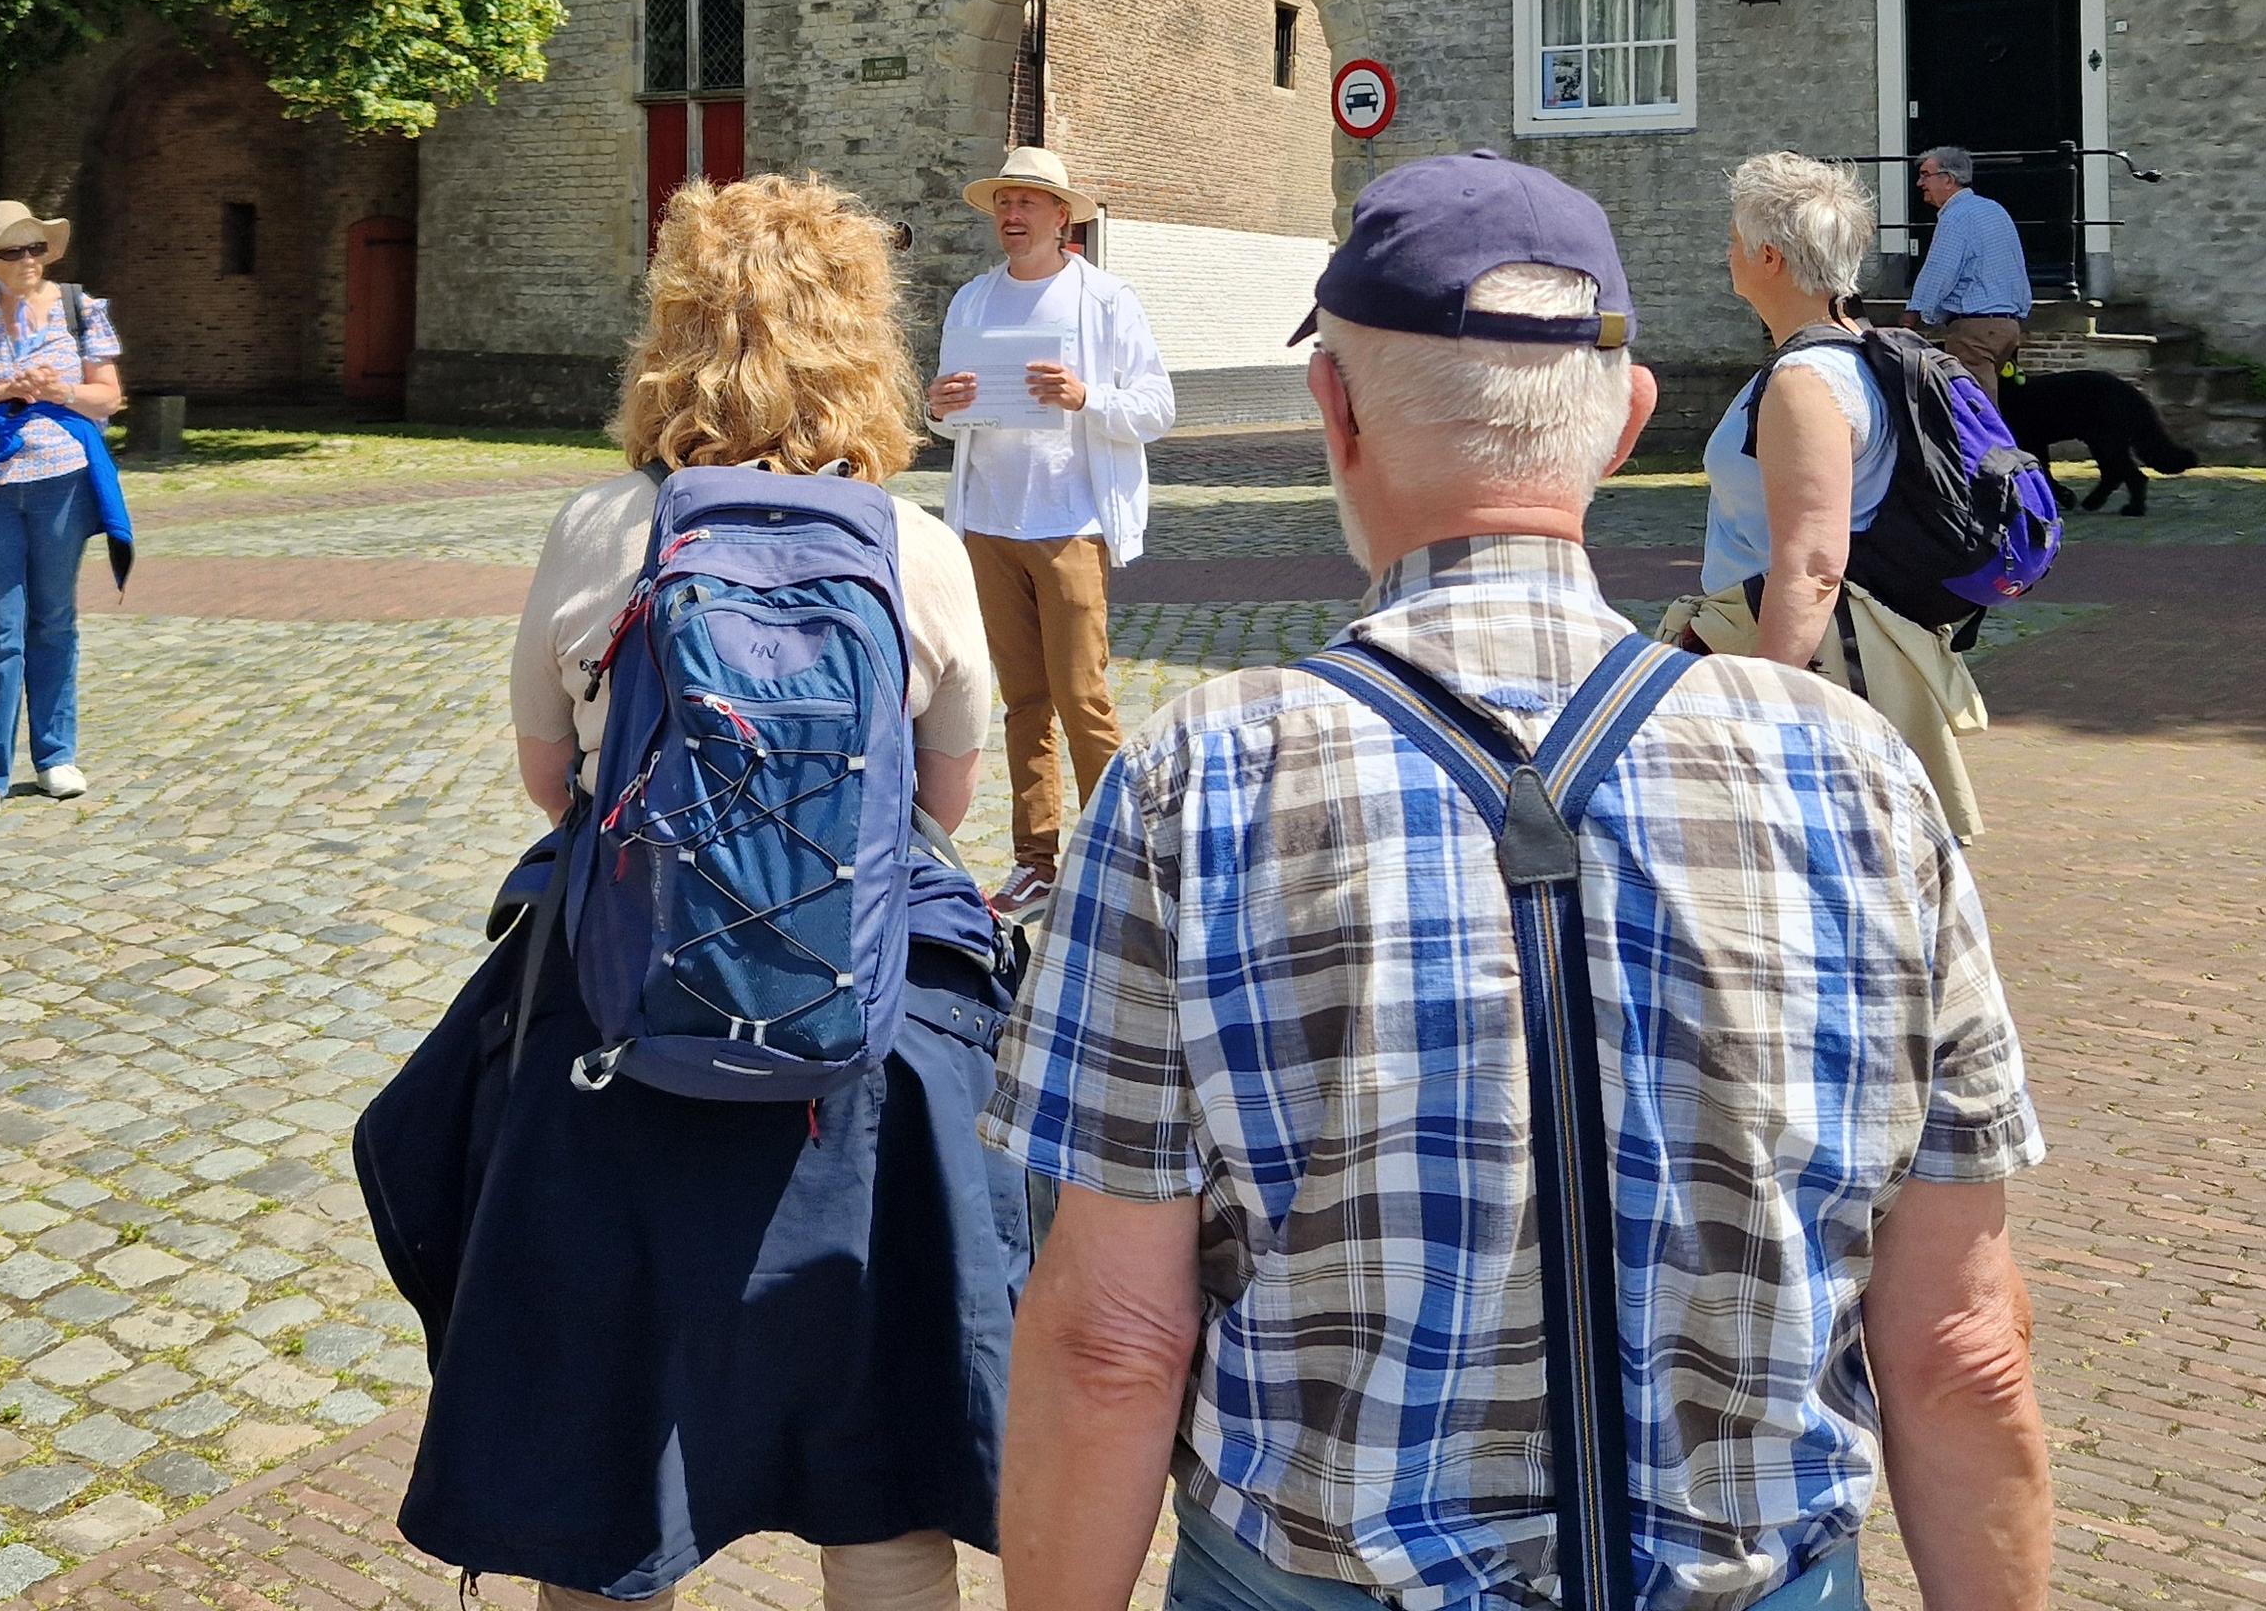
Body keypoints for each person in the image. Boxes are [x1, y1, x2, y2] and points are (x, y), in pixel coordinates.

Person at [990, 149, 2053, 1611]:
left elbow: (1109, 1339)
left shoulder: (1198, 780)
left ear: (1336, 412)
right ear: (1624, 422)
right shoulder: (1858, 775)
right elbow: (1959, 1344)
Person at [393, 173, 1017, 1611]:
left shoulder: (603, 528)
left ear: (667, 338)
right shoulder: (912, 547)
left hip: (622, 1046)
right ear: (869, 346)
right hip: (860, 1067)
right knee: (886, 1477)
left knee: (607, 1487)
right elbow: (943, 808)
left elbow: (555, 787)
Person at [1688, 151, 1990, 839]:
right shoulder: (1863, 355)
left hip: (1803, 657)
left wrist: (1768, 704)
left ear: (1768, 257)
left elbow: (1814, 561)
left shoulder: (1804, 381)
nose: (1726, 252)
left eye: (1734, 239)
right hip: (1823, 647)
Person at [925, 143, 1174, 922]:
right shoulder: (972, 300)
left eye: (1028, 201)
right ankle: (1035, 864)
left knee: (1082, 698)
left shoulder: (1103, 301)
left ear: (1064, 216)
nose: (1012, 213)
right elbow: (944, 420)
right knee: (1024, 702)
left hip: (1071, 524)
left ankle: (1115, 862)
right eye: (1004, 200)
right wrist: (939, 406)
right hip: (989, 524)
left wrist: (1085, 396)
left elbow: (1157, 410)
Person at [0, 201, 126, 819]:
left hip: (61, 482)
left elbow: (109, 397)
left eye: (35, 247)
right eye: (12, 251)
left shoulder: (81, 309)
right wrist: (4, 388)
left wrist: (61, 390)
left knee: (55, 620)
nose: (28, 260)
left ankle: (54, 756)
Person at [1907, 146, 2033, 399]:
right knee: (1990, 401)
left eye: (1925, 174)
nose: (1920, 183)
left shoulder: (1955, 217)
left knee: (1975, 410)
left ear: (1948, 179)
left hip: (1975, 330)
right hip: (2007, 327)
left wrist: (1914, 313)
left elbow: (1940, 271)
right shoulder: (1994, 210)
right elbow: (2015, 267)